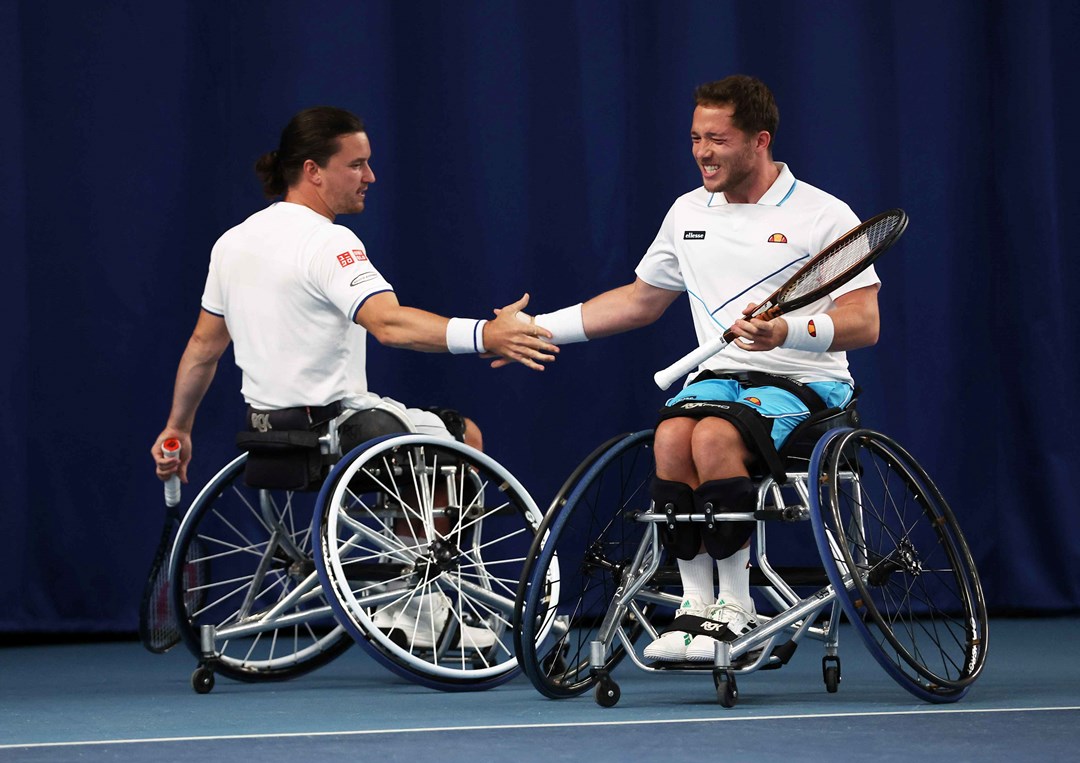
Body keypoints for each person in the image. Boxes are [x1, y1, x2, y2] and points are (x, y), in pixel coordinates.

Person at [151, 106, 558, 643]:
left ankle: (405, 594)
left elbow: (204, 347)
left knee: (417, 437)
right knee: (465, 439)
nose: (370, 177)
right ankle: (417, 603)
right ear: (314, 170)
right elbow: (388, 324)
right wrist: (488, 333)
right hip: (338, 432)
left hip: (267, 435)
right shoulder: (329, 243)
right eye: (357, 165)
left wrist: (177, 427)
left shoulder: (233, 241)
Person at [524, 75, 880, 663]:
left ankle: (736, 607)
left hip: (810, 383)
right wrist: (540, 328)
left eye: (717, 139)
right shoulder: (687, 211)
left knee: (714, 436)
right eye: (695, 138)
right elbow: (640, 301)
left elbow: (864, 322)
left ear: (759, 141)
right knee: (670, 437)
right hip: (720, 380)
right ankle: (695, 607)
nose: (702, 153)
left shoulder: (823, 214)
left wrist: (785, 331)